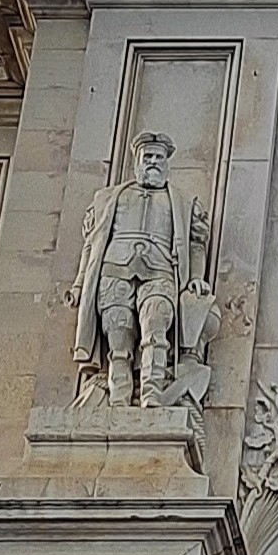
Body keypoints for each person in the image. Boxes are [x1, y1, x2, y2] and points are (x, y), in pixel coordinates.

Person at [69, 132, 213, 409]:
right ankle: (120, 400)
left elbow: (197, 242)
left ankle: (152, 393)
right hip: (114, 273)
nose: (153, 162)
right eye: (148, 157)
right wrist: (78, 285)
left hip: (160, 273)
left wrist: (196, 277)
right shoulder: (108, 198)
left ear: (167, 163)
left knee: (156, 328)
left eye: (159, 157)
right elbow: (92, 244)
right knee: (118, 338)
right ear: (137, 161)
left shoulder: (183, 201)